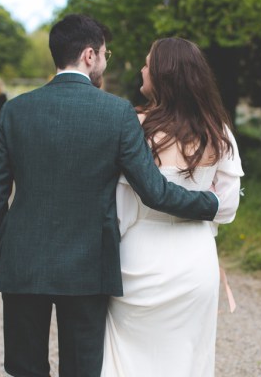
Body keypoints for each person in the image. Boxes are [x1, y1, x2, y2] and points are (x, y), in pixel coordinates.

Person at [0, 15, 221, 377]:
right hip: (87, 268)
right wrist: (212, 204)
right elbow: (154, 191)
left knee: (25, 368)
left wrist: (2, 252)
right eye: (106, 54)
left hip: (23, 263)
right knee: (81, 370)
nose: (106, 61)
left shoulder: (15, 110)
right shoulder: (117, 112)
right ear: (89, 55)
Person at [101, 37, 244, 377]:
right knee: (186, 362)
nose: (142, 68)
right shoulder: (217, 131)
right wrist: (201, 203)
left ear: (163, 74)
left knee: (129, 361)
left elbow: (121, 210)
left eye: (148, 63)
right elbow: (227, 207)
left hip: (139, 261)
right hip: (195, 262)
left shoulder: (136, 127)